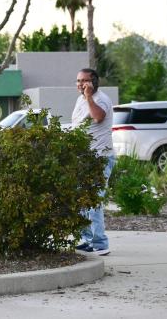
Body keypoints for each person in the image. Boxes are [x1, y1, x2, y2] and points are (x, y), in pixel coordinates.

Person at [71, 68, 115, 256]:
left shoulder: (100, 99)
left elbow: (98, 117)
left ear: (94, 82)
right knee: (82, 201)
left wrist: (89, 97)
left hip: (100, 158)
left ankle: (100, 243)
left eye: (85, 81)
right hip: (84, 158)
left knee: (94, 201)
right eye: (78, 80)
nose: (80, 84)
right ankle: (88, 240)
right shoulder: (80, 99)